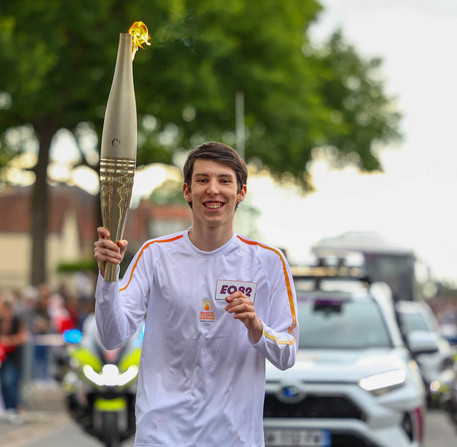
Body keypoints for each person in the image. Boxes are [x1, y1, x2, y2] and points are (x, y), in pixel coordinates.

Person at [94, 141, 298, 446]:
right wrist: (108, 277)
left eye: (224, 180)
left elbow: (288, 352)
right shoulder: (155, 254)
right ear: (188, 191)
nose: (212, 189)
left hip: (233, 437)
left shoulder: (268, 261)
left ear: (241, 192)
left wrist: (257, 328)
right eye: (202, 180)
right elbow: (112, 336)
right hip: (163, 435)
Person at [0, 293, 29, 424]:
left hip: (14, 358)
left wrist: (9, 340)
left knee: (11, 382)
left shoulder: (17, 320)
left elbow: (23, 337)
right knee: (5, 383)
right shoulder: (2, 320)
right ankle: (8, 409)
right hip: (3, 357)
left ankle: (13, 409)